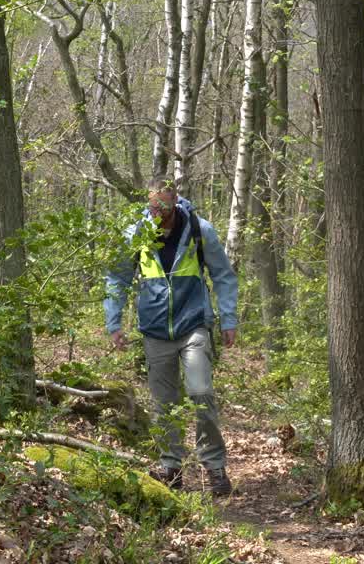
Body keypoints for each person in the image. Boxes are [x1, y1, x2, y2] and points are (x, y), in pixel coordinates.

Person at [104, 180, 240, 496]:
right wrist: (114, 323)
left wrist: (228, 319)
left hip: (194, 323)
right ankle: (171, 468)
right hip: (154, 328)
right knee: (164, 403)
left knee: (201, 391)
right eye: (152, 206)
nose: (157, 213)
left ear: (175, 201)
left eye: (163, 207)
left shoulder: (198, 229)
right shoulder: (136, 233)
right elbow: (117, 277)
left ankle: (215, 467)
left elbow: (223, 275)